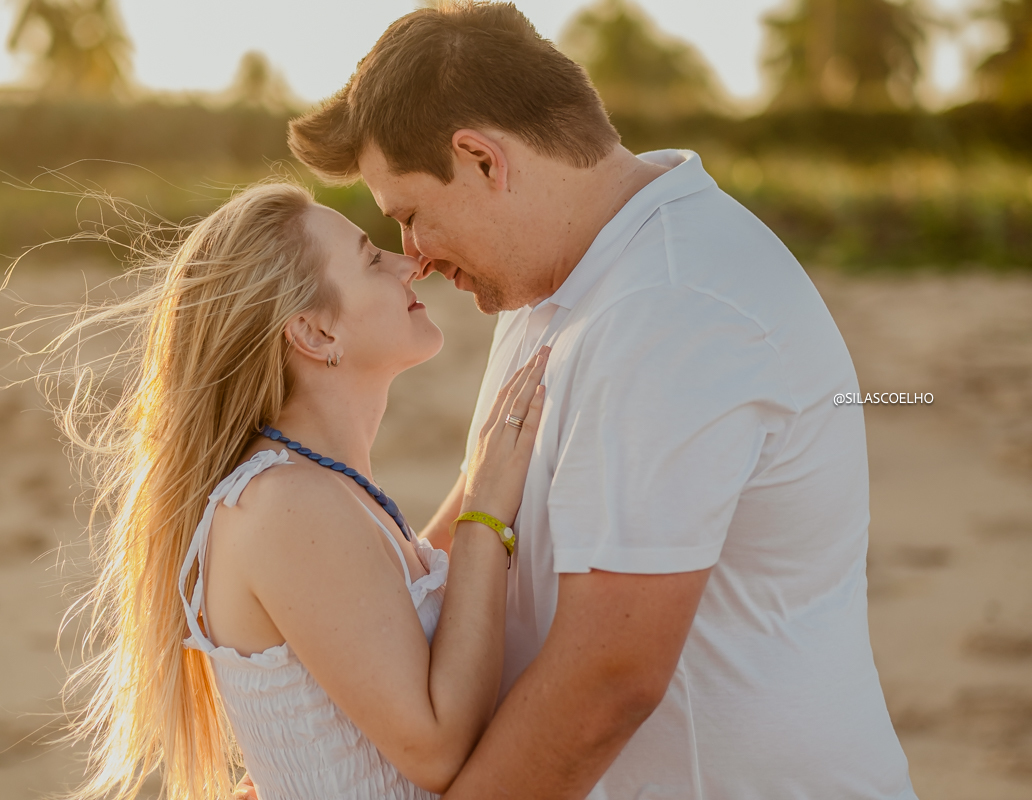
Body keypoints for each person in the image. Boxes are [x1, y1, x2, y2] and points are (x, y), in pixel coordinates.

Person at [287, 2, 918, 798]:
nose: (412, 257)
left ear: (483, 159)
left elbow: (607, 683)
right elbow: (457, 551)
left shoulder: (673, 304)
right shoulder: (561, 287)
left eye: (411, 217)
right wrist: (313, 761)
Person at [53, 181, 548, 800]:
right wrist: (483, 518)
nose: (410, 262)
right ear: (314, 334)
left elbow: (371, 614)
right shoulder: (287, 504)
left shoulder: (317, 488)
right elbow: (438, 749)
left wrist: (479, 481)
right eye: (372, 258)